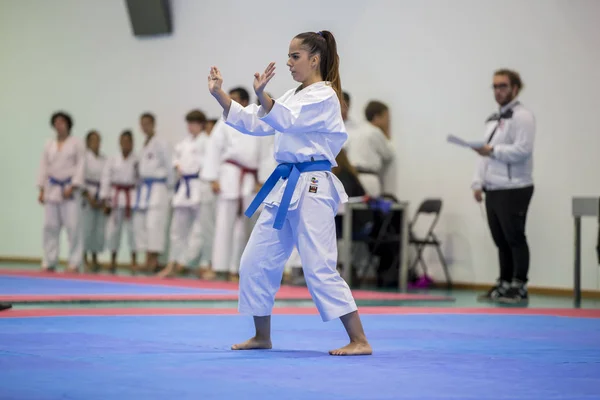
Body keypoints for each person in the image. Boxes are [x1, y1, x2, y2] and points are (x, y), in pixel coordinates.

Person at [207, 30, 372, 356]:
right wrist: (220, 96)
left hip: (312, 186)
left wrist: (264, 96)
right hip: (284, 187)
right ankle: (261, 335)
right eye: (289, 56)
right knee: (255, 261)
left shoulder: (325, 96)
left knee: (318, 267)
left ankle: (359, 340)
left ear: (314, 59)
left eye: (295, 56)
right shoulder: (295, 94)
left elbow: (288, 120)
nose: (288, 62)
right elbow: (259, 121)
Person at [472, 69, 535, 304]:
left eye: (503, 86)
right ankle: (505, 282)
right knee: (500, 239)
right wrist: (477, 182)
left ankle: (520, 284)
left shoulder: (523, 116)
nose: (498, 91)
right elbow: (483, 154)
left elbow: (523, 150)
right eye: (495, 87)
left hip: (515, 186)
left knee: (515, 236)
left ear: (515, 88)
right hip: (494, 187)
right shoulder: (493, 120)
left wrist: (493, 151)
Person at [201, 87, 274, 282]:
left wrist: (262, 179)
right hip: (228, 176)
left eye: (232, 99)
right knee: (223, 224)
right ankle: (219, 267)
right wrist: (213, 177)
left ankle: (236, 268)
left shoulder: (257, 118)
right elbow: (214, 149)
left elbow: (266, 152)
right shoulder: (224, 121)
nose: (227, 102)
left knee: (244, 228)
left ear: (243, 101)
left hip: (249, 180)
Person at [158, 110, 215, 279]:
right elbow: (176, 161)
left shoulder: (207, 142)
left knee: (202, 230)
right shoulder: (184, 143)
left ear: (201, 124)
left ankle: (205, 264)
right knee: (177, 229)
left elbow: (209, 164)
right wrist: (178, 168)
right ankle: (173, 262)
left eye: (193, 123)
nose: (190, 127)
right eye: (188, 123)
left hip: (199, 186)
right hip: (184, 188)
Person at [37, 111, 85, 273]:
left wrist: (74, 185)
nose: (59, 125)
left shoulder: (76, 143)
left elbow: (81, 166)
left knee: (73, 226)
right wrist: (41, 189)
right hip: (52, 188)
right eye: (56, 122)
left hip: (69, 189)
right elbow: (44, 166)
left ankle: (74, 262)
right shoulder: (48, 144)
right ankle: (49, 261)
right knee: (50, 226)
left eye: (62, 122)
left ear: (68, 124)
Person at [133, 113, 174, 273]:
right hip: (145, 189)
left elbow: (170, 167)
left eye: (147, 123)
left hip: (159, 189)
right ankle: (147, 259)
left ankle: (154, 260)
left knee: (155, 225)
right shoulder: (144, 144)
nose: (145, 127)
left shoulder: (161, 143)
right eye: (142, 124)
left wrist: (170, 189)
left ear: (154, 124)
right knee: (143, 225)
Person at [100, 130, 138, 273]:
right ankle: (113, 260)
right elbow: (105, 179)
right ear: (120, 142)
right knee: (113, 231)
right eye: (123, 141)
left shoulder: (137, 160)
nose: (126, 144)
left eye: (128, 141)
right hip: (115, 198)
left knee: (133, 232)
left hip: (131, 198)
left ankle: (133, 260)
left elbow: (139, 181)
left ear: (133, 143)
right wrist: (105, 200)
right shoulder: (112, 159)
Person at [346, 100, 395, 197]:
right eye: (386, 117)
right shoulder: (375, 132)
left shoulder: (355, 130)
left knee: (353, 209)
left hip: (352, 178)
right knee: (369, 210)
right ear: (377, 117)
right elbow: (388, 155)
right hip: (369, 178)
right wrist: (386, 134)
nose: (388, 121)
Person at [82, 130, 107, 271]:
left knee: (98, 229)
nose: (96, 143)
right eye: (93, 140)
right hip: (87, 195)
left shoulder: (104, 159)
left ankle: (95, 258)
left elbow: (106, 179)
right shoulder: (83, 158)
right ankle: (83, 258)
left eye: (98, 140)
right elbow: (80, 178)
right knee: (86, 228)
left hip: (100, 195)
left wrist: (103, 198)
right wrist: (88, 196)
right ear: (87, 142)